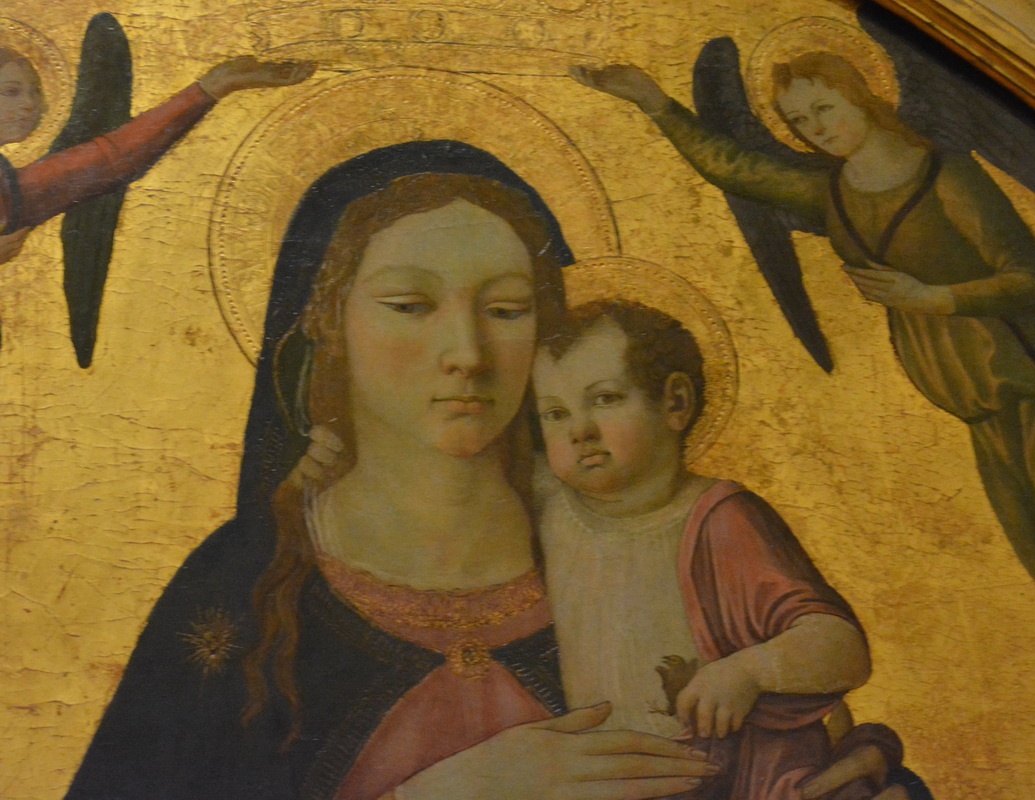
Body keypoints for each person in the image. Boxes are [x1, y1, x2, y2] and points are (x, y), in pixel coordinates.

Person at [571, 53, 1035, 746]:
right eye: (799, 122)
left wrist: (936, 297)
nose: (815, 130)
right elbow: (737, 169)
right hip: (985, 404)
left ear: (861, 96)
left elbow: (1029, 276)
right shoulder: (836, 194)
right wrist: (655, 103)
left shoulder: (944, 174)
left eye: (824, 109)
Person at [65, 144, 719, 800]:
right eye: (409, 305)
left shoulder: (659, 553)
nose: (468, 354)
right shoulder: (242, 585)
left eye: (506, 310)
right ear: (330, 321)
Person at [533, 297, 920, 799]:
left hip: (727, 776)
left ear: (675, 403)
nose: (579, 430)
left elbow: (843, 647)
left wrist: (748, 671)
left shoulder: (722, 519)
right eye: (555, 413)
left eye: (605, 399)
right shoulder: (545, 509)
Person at [0, 49, 314, 262]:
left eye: (35, 92)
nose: (30, 104)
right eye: (11, 91)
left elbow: (108, 158)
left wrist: (212, 87)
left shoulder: (9, 186)